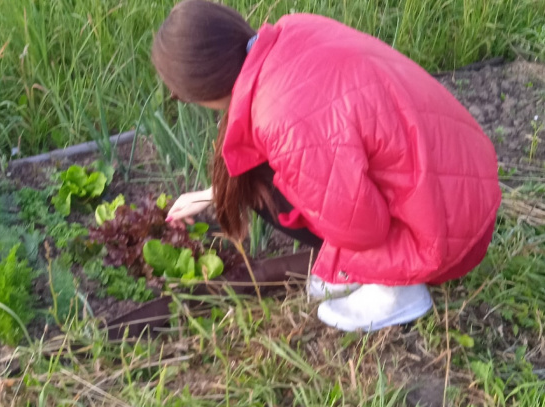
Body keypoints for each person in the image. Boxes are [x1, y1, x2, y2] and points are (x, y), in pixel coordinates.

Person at [151, 0, 502, 332]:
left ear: (199, 88)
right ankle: (370, 270)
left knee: (261, 183)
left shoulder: (280, 116)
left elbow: (363, 227)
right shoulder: (292, 32)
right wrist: (215, 193)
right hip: (460, 182)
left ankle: (395, 289)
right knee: (259, 174)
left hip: (447, 230)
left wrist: (340, 254)